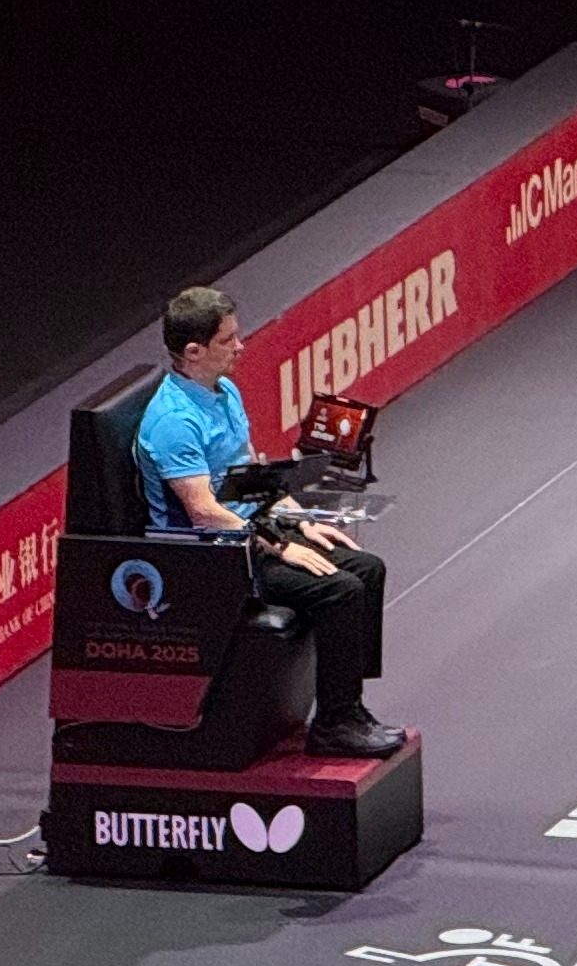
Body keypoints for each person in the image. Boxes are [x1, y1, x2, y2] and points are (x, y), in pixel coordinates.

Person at [136, 286, 400, 758]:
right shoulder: (174, 422)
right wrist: (278, 545)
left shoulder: (224, 392)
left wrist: (297, 520)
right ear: (194, 351)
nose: (241, 347)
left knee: (367, 569)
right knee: (340, 589)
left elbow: (249, 479)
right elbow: (203, 511)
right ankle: (333, 728)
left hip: (251, 534)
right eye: (227, 340)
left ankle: (348, 707)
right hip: (211, 559)